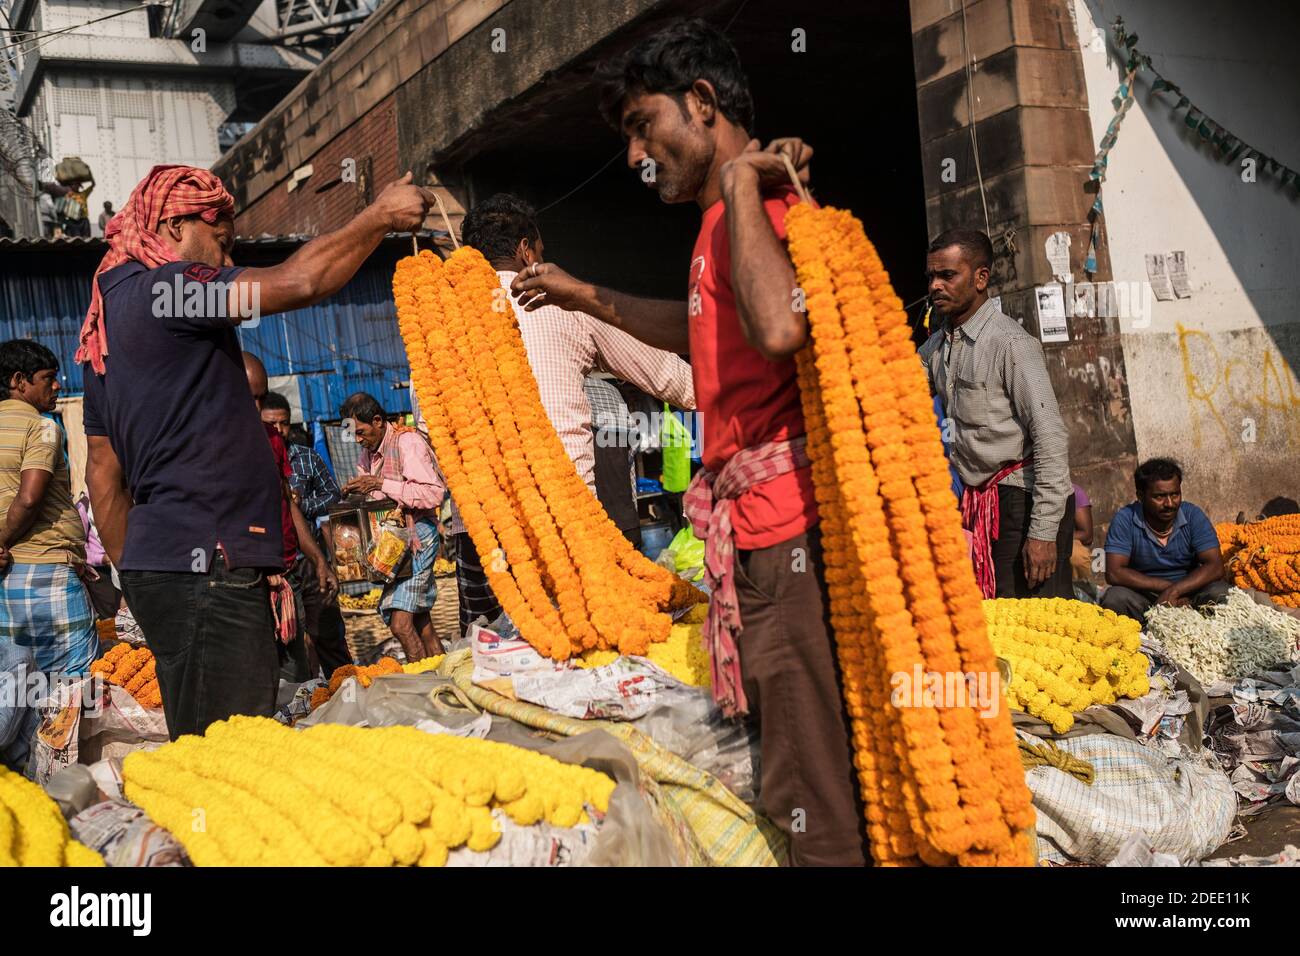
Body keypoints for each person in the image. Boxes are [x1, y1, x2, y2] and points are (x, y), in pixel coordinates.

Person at [509, 19, 860, 866]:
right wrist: (580, 293)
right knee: (793, 765)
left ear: (702, 104)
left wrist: (743, 183)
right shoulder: (712, 232)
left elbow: (778, 327)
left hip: (786, 533)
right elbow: (699, 328)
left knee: (808, 775)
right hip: (755, 536)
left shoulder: (760, 205)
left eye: (643, 124)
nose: (636, 153)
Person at [80, 164, 432, 738]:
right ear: (173, 224)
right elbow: (300, 282)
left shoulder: (103, 321)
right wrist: (380, 218)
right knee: (234, 747)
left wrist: (141, 575)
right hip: (208, 565)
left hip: (168, 565)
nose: (222, 262)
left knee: (201, 743)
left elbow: (102, 471)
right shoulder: (168, 290)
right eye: (220, 241)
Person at [432, 192, 694, 634]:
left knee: (492, 657)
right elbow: (669, 377)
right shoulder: (561, 301)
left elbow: (432, 429)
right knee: (581, 645)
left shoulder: (438, 322)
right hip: (566, 525)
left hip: (481, 530)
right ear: (525, 251)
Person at [919, 228, 1074, 599]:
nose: (935, 286)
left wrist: (1042, 533)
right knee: (994, 623)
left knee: (1040, 631)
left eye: (947, 275)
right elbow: (895, 389)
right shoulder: (936, 347)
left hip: (1025, 502)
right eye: (931, 277)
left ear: (980, 278)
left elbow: (1051, 436)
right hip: (981, 504)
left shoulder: (1011, 344)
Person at [0, 339, 97, 766]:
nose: (58, 386)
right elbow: (29, 497)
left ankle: (26, 779)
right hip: (47, 577)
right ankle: (71, 781)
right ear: (18, 382)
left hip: (6, 584)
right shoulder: (41, 426)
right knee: (72, 689)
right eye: (48, 378)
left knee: (19, 690)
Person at [243, 354, 343, 682]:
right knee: (266, 668)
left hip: (290, 571)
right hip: (250, 577)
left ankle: (322, 706)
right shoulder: (208, 440)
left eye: (261, 397)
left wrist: (318, 559)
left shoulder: (275, 444)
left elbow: (288, 505)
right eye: (250, 397)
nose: (256, 408)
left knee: (304, 656)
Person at [340, 392, 445, 661]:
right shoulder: (368, 452)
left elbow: (433, 493)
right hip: (394, 541)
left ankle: (422, 684)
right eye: (354, 436)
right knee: (422, 623)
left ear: (377, 421)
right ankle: (444, 677)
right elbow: (374, 496)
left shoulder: (407, 442)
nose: (359, 441)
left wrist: (379, 484)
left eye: (362, 433)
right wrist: (356, 493)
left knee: (400, 624)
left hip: (418, 536)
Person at [260, 389, 351, 677]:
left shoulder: (307, 458)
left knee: (328, 630)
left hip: (308, 558)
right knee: (295, 639)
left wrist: (303, 503)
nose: (279, 430)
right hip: (279, 566)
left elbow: (333, 495)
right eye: (271, 423)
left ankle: (345, 687)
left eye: (284, 423)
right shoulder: (255, 459)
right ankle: (309, 697)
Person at [1101, 458, 1228, 623]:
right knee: (1114, 599)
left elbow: (1216, 566)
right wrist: (1168, 590)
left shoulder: (1192, 515)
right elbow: (1114, 573)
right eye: (1159, 497)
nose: (1169, 503)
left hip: (1191, 591)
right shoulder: (1125, 519)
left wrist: (1177, 591)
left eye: (1175, 494)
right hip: (1146, 596)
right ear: (1141, 496)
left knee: (1223, 593)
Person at [584, 375, 642, 550]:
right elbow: (631, 458)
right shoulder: (611, 393)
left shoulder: (564, 403)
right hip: (626, 522)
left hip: (591, 532)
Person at [75, 491, 122, 620]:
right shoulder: (84, 505)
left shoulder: (121, 496)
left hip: (123, 564)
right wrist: (102, 558)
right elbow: (79, 545)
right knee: (111, 617)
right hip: (102, 573)